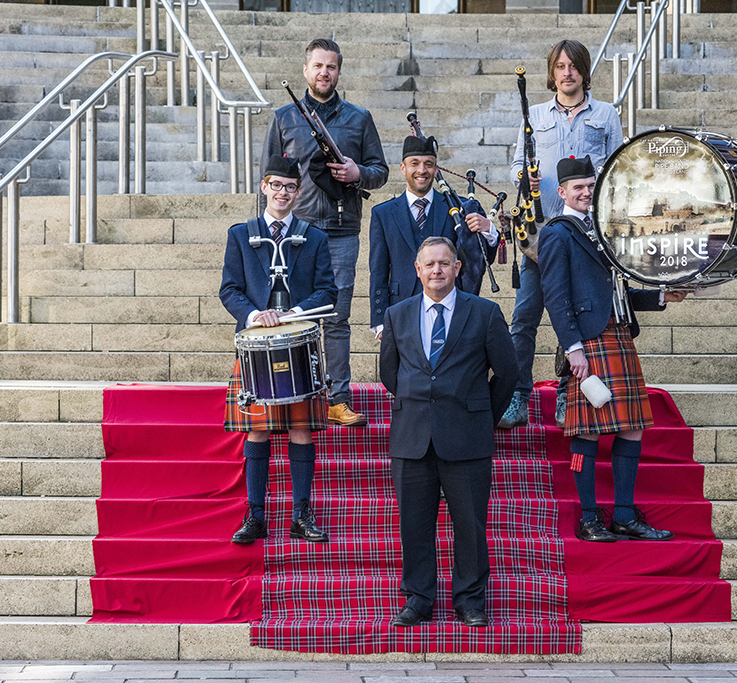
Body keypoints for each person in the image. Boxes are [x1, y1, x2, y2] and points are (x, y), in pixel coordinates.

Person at [539, 156, 686, 543]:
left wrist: (662, 295)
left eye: (590, 186)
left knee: (633, 427)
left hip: (619, 334)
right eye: (578, 188)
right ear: (563, 192)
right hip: (588, 340)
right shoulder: (557, 233)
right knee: (586, 432)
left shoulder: (609, 228)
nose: (586, 192)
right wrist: (573, 350)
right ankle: (589, 517)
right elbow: (555, 296)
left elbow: (617, 289)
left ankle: (623, 515)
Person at [379, 236, 519, 628]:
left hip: (468, 435)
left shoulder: (485, 313)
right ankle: (419, 598)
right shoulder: (397, 314)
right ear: (418, 270)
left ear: (458, 268)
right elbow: (389, 374)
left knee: (470, 525)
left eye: (445, 263)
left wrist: (480, 415)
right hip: (412, 437)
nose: (437, 270)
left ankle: (470, 600)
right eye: (430, 264)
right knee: (414, 524)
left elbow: (507, 373)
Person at [259, 38, 389, 427]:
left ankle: (337, 399)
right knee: (287, 316)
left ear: (338, 71)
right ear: (306, 70)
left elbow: (379, 172)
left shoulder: (358, 118)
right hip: (292, 232)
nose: (324, 72)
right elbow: (266, 179)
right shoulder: (285, 118)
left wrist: (357, 173)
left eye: (331, 67)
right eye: (317, 66)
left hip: (340, 230)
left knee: (335, 317)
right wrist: (264, 235)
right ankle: (290, 396)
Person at [500, 39, 624, 430]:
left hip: (588, 236)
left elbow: (619, 169)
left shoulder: (606, 114)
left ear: (584, 71)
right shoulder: (535, 113)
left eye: (573, 66)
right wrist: (526, 176)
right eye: (560, 66)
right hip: (541, 235)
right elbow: (517, 163)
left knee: (576, 316)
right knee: (524, 316)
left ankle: (568, 394)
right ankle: (518, 395)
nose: (566, 73)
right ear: (551, 72)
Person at [220, 154, 338, 545]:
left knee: (301, 429)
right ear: (263, 187)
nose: (282, 192)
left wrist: (295, 312)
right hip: (255, 346)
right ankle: (255, 516)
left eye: (290, 187)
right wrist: (256, 315)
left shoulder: (315, 237)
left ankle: (301, 515)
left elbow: (327, 291)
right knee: (257, 431)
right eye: (276, 185)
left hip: (299, 344)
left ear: (298, 191)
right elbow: (229, 290)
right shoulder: (241, 234)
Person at [368, 135, 498, 336]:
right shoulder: (382, 214)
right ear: (403, 168)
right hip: (400, 310)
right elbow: (378, 272)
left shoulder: (457, 208)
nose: (422, 170)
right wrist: (379, 322)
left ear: (436, 170)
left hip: (449, 310)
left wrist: (489, 230)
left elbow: (479, 260)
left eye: (428, 164)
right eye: (415, 164)